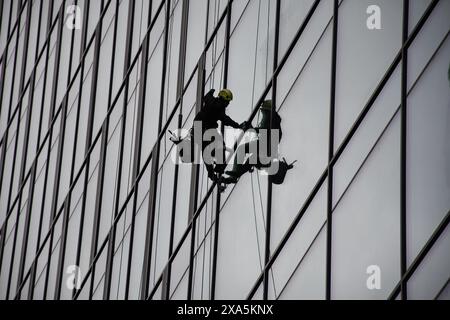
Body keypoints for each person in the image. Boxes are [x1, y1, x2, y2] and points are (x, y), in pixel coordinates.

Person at [223, 100, 295, 185]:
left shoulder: (269, 116)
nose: (261, 111)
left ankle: (235, 174)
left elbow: (265, 130)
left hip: (266, 145)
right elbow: (266, 131)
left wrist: (251, 129)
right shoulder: (273, 119)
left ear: (265, 109)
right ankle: (234, 175)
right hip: (265, 145)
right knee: (251, 158)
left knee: (244, 151)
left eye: (262, 110)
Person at [190, 88, 246, 181]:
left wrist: (211, 92)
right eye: (227, 102)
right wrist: (238, 126)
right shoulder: (218, 107)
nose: (228, 104)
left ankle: (213, 171)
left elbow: (206, 97)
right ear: (223, 100)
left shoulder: (213, 101)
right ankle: (217, 168)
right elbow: (226, 119)